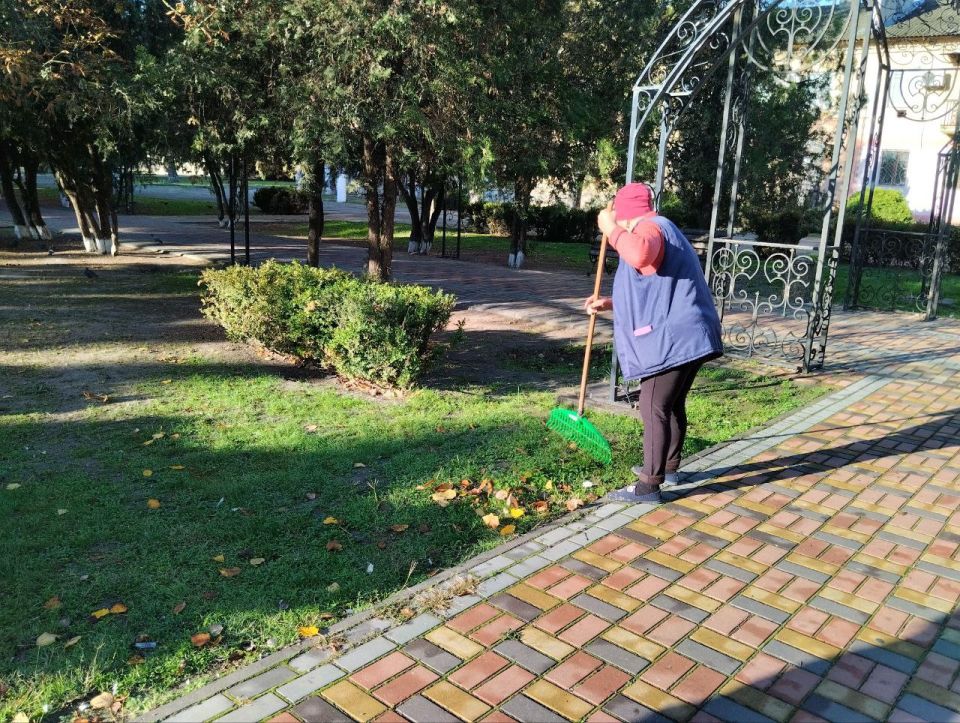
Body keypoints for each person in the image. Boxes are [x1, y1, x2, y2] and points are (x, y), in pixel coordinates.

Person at [584, 182, 722, 502]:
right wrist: (609, 303)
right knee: (670, 403)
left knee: (652, 405)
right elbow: (654, 284)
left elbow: (640, 253)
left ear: (625, 215)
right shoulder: (663, 227)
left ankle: (648, 485)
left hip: (676, 338)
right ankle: (669, 468)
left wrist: (611, 229)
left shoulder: (649, 228)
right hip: (691, 332)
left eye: (618, 219)